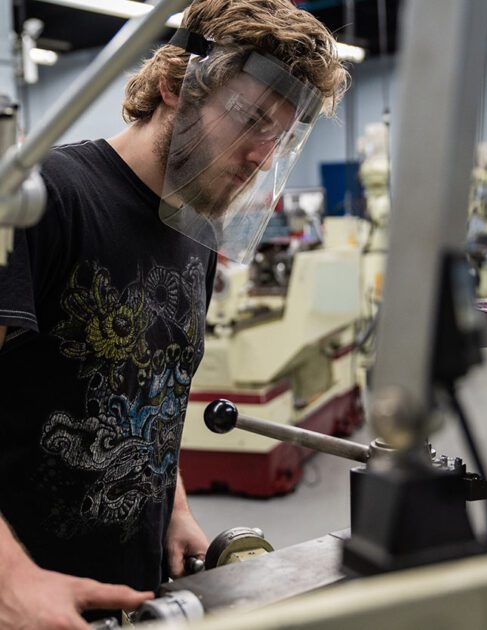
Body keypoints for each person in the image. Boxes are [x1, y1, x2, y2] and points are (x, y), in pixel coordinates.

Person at [0, 0, 348, 626]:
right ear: (174, 86)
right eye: (250, 120)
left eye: (281, 135)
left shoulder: (194, 230)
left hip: (136, 596)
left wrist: (176, 506)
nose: (262, 155)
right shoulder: (46, 199)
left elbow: (150, 389)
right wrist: (10, 581)